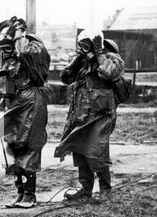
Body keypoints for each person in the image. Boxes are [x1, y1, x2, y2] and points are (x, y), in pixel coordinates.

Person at [54, 29, 125, 203]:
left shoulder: (112, 59)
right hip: (81, 114)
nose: (87, 48)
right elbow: (65, 77)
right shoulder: (84, 63)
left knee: (97, 152)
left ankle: (105, 191)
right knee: (80, 150)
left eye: (89, 44)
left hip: (101, 114)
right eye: (83, 44)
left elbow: (110, 73)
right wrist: (78, 58)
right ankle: (85, 190)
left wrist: (99, 54)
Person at [0, 16, 51, 208]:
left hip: (31, 101)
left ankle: (30, 195)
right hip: (15, 102)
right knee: (13, 147)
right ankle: (20, 193)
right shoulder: (9, 59)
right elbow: (2, 87)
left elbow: (24, 51)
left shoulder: (33, 48)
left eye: (10, 44)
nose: (7, 49)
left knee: (29, 145)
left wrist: (19, 34)